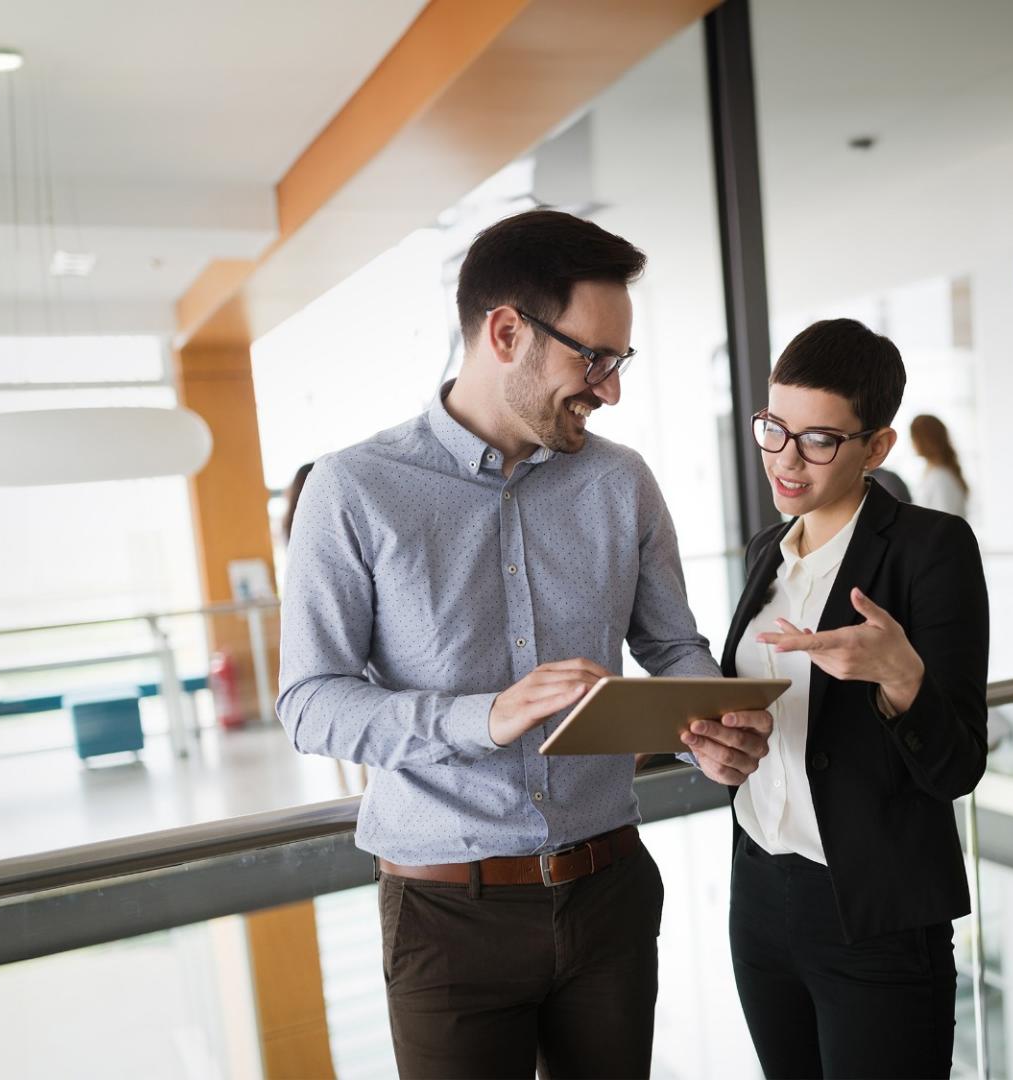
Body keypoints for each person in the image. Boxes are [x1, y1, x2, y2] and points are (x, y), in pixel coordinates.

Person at [277, 208, 773, 1079]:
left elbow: (672, 645)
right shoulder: (353, 490)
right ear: (506, 331)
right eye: (596, 358)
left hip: (611, 892)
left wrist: (708, 725)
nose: (611, 389)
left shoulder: (622, 481)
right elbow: (309, 703)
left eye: (621, 362)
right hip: (446, 918)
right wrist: (486, 717)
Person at [726, 319, 989, 1078]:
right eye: (774, 429)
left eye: (819, 440)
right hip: (761, 898)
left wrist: (903, 679)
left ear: (877, 447)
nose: (786, 459)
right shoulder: (763, 552)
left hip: (874, 912)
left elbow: (959, 767)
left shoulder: (930, 550)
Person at [909, 413, 969, 517]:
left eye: (914, 438)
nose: (912, 444)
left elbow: (946, 526)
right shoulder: (934, 473)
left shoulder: (941, 478)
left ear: (925, 440)